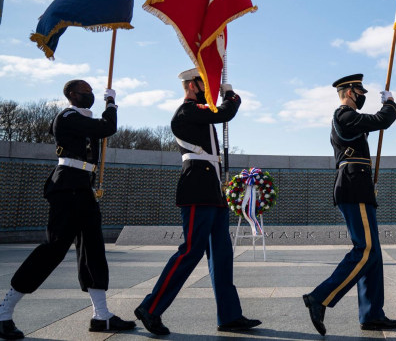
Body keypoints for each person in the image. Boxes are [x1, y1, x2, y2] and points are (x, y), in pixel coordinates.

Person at [0, 80, 135, 340]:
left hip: (83, 189)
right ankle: (4, 311)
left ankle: (101, 316)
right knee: (53, 249)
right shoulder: (68, 116)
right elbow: (108, 127)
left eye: (92, 92)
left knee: (93, 250)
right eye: (86, 92)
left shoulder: (82, 117)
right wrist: (111, 104)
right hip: (67, 188)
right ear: (72, 95)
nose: (91, 95)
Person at [133, 68, 260, 336]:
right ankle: (151, 307)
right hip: (196, 188)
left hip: (212, 190)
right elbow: (224, 113)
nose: (210, 88)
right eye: (206, 82)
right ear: (192, 85)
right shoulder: (186, 112)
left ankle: (229, 316)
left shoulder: (199, 111)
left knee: (222, 255)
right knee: (190, 251)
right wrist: (231, 95)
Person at [303, 74, 396, 336]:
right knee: (366, 249)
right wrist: (389, 104)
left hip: (359, 186)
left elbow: (374, 125)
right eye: (359, 91)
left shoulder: (351, 119)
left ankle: (372, 313)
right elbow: (382, 120)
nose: (362, 95)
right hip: (353, 186)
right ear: (348, 92)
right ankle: (320, 297)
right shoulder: (344, 116)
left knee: (373, 253)